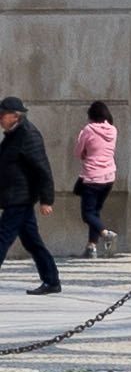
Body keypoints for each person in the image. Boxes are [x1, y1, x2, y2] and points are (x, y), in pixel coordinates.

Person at [0, 100, 59, 294]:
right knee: (32, 242)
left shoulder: (28, 135)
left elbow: (42, 169)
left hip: (20, 198)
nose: (0, 118)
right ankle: (51, 281)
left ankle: (51, 281)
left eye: (3, 114)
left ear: (15, 116)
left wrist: (46, 199)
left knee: (2, 238)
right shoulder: (13, 135)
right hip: (15, 196)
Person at [72, 103, 117, 262]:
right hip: (109, 176)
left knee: (87, 214)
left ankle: (106, 234)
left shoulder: (88, 129)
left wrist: (83, 147)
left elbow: (78, 152)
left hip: (92, 177)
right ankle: (92, 247)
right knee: (95, 211)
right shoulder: (113, 130)